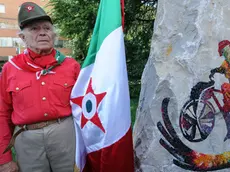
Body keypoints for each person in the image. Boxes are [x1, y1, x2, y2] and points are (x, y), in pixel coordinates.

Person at [0, 2, 80, 172]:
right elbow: (2, 113)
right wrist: (4, 158)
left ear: (53, 34)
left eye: (46, 28)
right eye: (34, 29)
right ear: (22, 37)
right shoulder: (10, 69)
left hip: (65, 135)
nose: (42, 32)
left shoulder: (71, 66)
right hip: (27, 140)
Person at [209, 40, 230, 141]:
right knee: (225, 109)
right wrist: (214, 71)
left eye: (223, 51)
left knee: (224, 87)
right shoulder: (226, 62)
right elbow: (222, 68)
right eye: (222, 52)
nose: (223, 54)